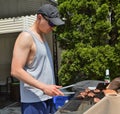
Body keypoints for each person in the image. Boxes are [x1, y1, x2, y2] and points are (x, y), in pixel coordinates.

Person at [11, 4, 65, 114]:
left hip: (47, 98)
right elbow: (16, 70)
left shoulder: (42, 37)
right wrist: (44, 87)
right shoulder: (26, 37)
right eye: (51, 23)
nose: (53, 27)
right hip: (33, 102)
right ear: (39, 17)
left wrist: (50, 88)